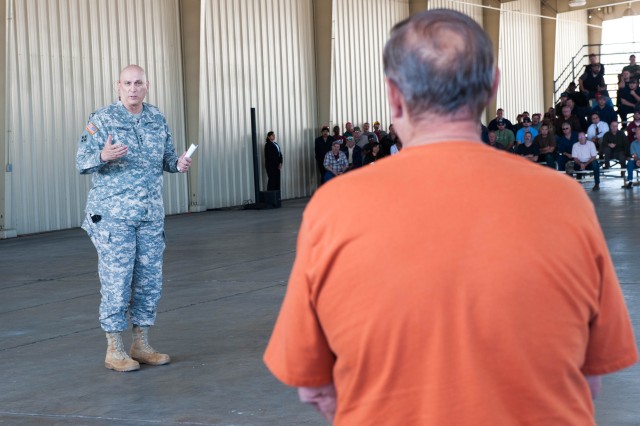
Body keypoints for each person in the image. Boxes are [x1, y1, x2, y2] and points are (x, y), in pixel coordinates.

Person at [264, 9, 637, 425]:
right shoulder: (567, 202)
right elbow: (591, 376)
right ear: (492, 85)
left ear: (393, 94)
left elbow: (312, 384)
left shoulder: (332, 208)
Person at [76, 64, 193, 372]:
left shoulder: (157, 118)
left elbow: (167, 157)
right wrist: (103, 156)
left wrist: (177, 164)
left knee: (148, 282)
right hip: (114, 216)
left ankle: (141, 344)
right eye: (127, 83)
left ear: (147, 86)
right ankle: (114, 349)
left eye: (138, 83)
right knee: (117, 281)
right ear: (118, 86)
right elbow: (82, 161)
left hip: (150, 216)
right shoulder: (101, 119)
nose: (132, 88)